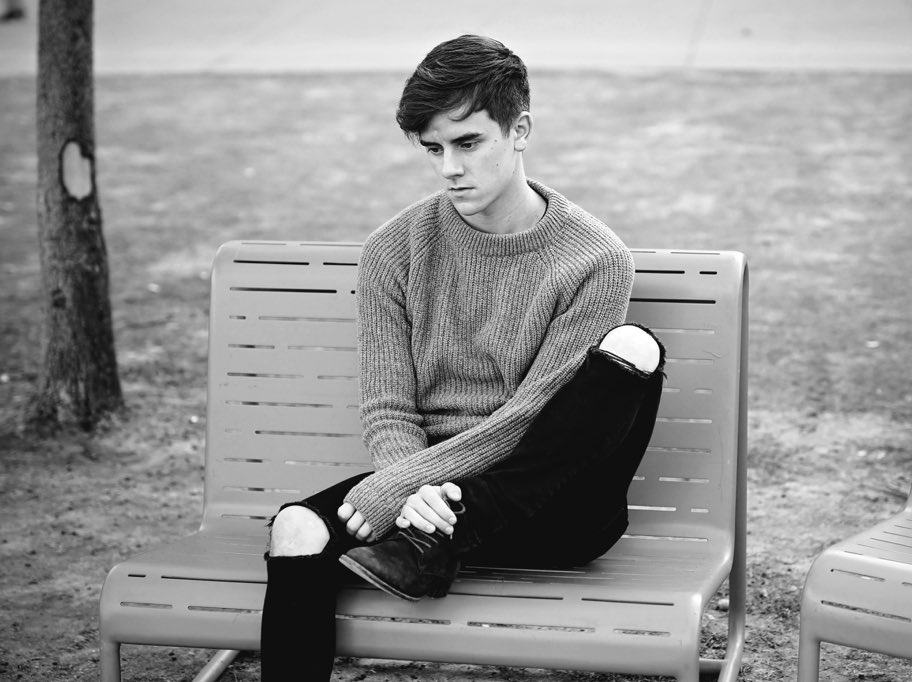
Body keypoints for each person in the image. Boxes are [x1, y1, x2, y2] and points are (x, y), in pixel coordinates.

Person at [259, 34, 667, 681]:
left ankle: (439, 536)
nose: (449, 167)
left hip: (554, 505)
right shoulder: (394, 250)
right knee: (296, 529)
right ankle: (429, 542)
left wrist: (404, 489)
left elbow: (533, 416)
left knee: (633, 349)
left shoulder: (595, 259)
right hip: (425, 508)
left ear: (520, 130)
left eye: (468, 143)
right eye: (433, 149)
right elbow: (388, 408)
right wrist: (415, 492)